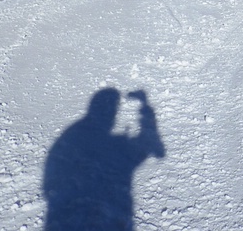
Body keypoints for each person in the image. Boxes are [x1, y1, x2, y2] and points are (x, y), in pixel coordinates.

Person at [44, 88, 165, 230]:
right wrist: (145, 108)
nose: (115, 114)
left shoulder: (72, 135)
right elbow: (153, 149)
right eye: (115, 108)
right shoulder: (113, 143)